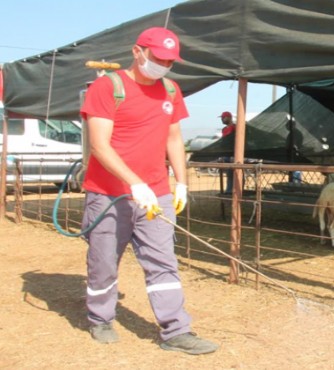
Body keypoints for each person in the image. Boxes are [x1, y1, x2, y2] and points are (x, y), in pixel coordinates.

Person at [80, 27, 218, 355]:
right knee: (104, 262)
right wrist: (134, 183)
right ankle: (100, 317)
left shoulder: (170, 90)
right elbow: (99, 145)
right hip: (108, 194)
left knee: (163, 260)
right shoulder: (107, 87)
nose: (164, 66)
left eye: (170, 61)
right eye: (158, 59)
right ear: (137, 52)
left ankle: (176, 331)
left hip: (156, 194)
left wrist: (181, 182)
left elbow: (173, 138)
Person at [219, 111, 235, 194]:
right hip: (226, 154)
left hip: (233, 154)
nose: (222, 119)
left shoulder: (235, 127)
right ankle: (229, 191)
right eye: (221, 118)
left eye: (223, 117)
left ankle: (235, 191)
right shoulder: (224, 129)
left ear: (229, 117)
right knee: (229, 174)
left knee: (236, 173)